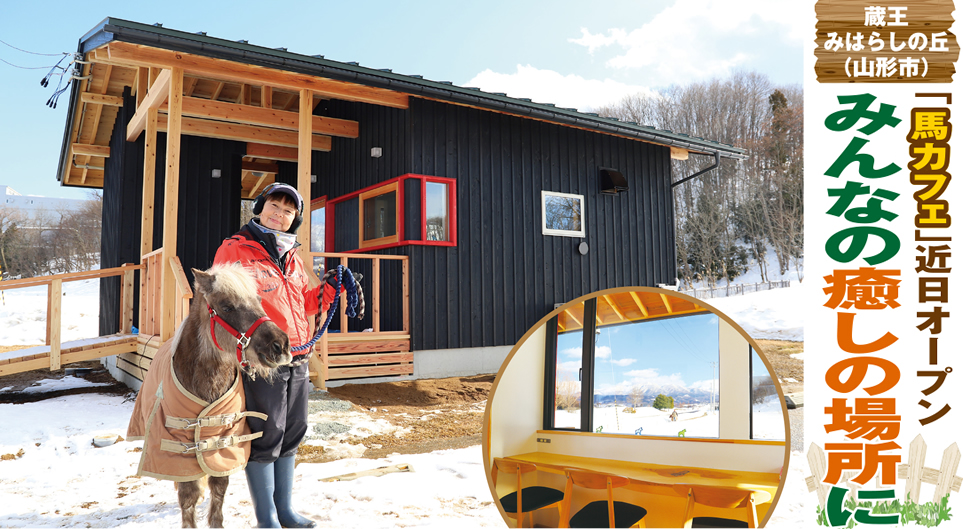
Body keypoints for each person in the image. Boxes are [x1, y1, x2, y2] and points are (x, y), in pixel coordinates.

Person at [213, 182, 335, 528]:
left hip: (297, 354)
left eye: (288, 210)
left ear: (294, 218)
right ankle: (267, 518)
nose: (279, 214)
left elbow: (302, 304)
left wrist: (327, 291)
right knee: (268, 433)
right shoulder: (236, 249)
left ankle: (286, 511)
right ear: (260, 207)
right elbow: (223, 301)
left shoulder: (293, 257)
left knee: (294, 429)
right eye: (274, 206)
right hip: (262, 358)